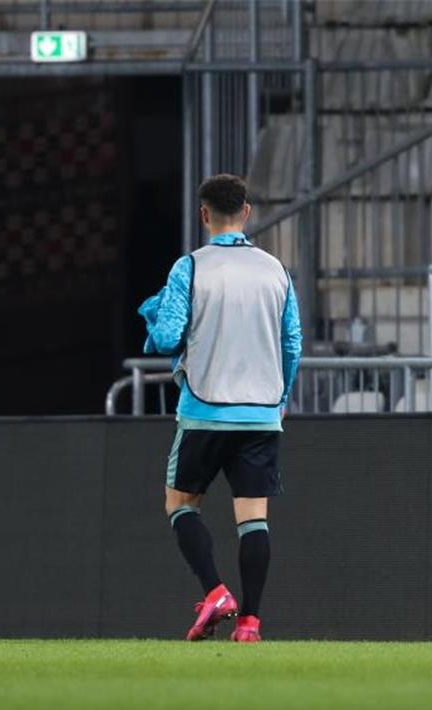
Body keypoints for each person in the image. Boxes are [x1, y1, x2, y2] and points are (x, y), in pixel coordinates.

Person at [140, 174, 302, 643]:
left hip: (206, 408)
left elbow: (168, 336)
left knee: (180, 504)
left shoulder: (189, 268)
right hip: (261, 411)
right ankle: (250, 623)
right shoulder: (276, 270)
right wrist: (282, 397)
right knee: (254, 518)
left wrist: (154, 313)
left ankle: (215, 592)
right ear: (246, 213)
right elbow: (292, 341)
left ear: (204, 215)